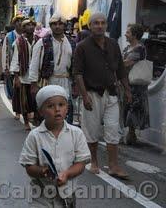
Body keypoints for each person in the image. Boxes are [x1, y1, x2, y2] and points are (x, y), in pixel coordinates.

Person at [74, 12, 132, 178]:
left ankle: (113, 166)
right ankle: (94, 162)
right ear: (90, 26)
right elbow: (78, 73)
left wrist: (127, 89)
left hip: (111, 93)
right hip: (92, 94)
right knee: (91, 129)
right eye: (96, 23)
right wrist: (84, 96)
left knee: (113, 129)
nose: (100, 26)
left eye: (103, 23)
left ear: (106, 25)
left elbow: (120, 69)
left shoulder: (113, 44)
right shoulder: (82, 47)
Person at [19, 85, 91, 207]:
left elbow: (81, 163)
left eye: (61, 105)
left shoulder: (76, 134)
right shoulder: (34, 136)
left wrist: (67, 174)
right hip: (42, 195)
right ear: (41, 111)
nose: (57, 109)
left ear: (67, 108)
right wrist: (42, 171)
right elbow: (29, 166)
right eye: (50, 106)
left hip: (67, 195)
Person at [29, 14, 77, 125]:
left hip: (66, 81)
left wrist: (75, 84)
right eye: (54, 24)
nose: (57, 26)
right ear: (50, 26)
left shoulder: (71, 43)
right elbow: (34, 63)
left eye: (60, 24)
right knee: (49, 109)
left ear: (64, 26)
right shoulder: (42, 42)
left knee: (65, 110)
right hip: (48, 80)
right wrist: (33, 84)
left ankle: (63, 136)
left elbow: (75, 65)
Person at [123, 24, 150, 145]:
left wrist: (114, 63)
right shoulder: (127, 47)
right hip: (127, 83)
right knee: (128, 107)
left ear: (134, 35)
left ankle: (131, 135)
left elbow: (127, 63)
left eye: (128, 32)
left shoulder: (140, 48)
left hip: (136, 85)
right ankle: (130, 135)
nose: (125, 34)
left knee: (133, 108)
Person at [11, 19, 36, 131]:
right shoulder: (18, 42)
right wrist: (16, 78)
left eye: (32, 25)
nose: (31, 27)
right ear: (23, 28)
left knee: (35, 100)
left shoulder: (39, 40)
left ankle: (36, 120)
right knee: (24, 101)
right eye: (28, 25)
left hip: (36, 76)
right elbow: (16, 59)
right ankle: (26, 122)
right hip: (23, 76)